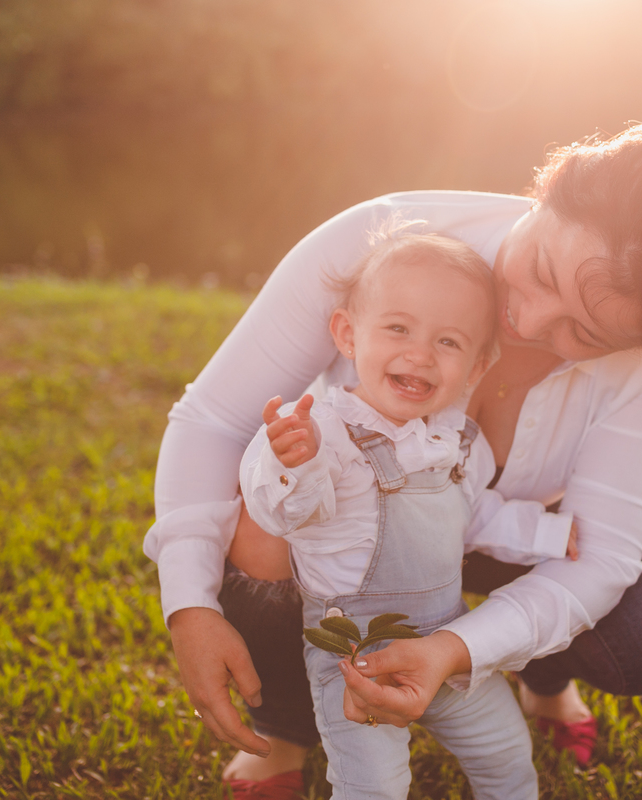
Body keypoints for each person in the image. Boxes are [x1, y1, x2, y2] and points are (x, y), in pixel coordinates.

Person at [143, 96, 642, 799]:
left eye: (587, 334)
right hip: (348, 531)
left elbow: (604, 555)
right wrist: (191, 605)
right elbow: (212, 421)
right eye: (542, 269)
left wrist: (455, 651)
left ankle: (543, 683)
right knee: (257, 522)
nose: (530, 319)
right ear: (549, 187)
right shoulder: (376, 239)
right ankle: (285, 731)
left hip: (511, 527)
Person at [231, 232, 576, 799]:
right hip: (353, 655)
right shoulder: (321, 430)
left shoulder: (455, 440)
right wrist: (297, 461)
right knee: (373, 783)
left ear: (477, 364)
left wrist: (546, 532)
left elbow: (474, 515)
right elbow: (287, 512)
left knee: (506, 751)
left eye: (448, 341)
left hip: (450, 641)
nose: (419, 354)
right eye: (397, 328)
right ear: (347, 334)